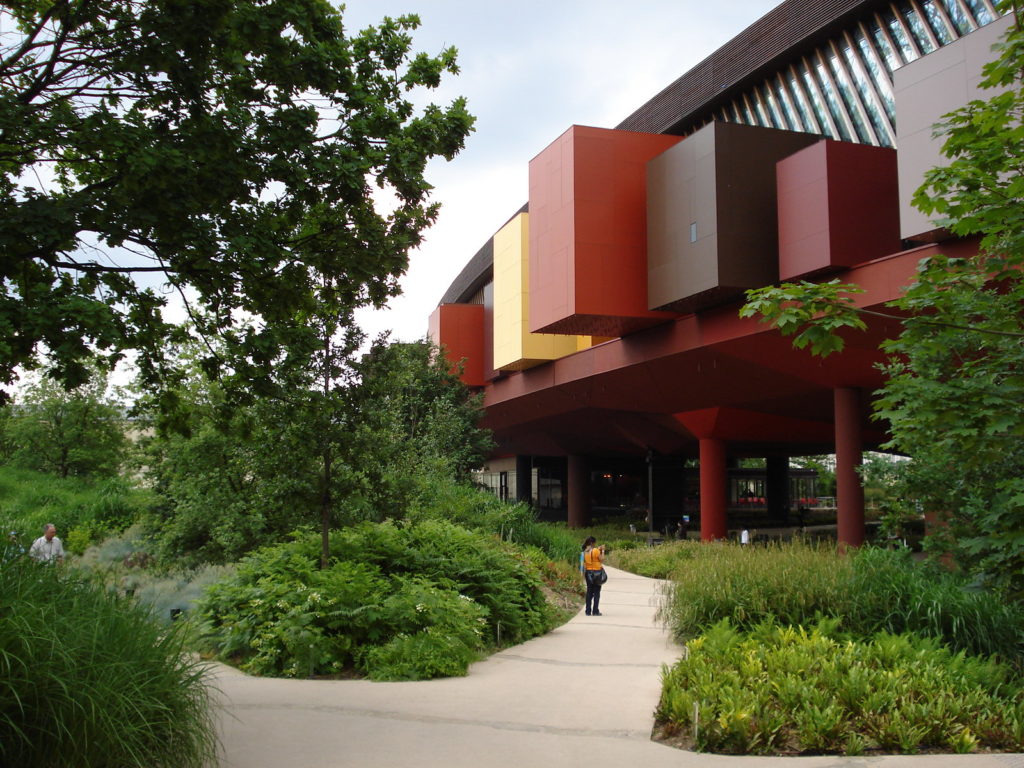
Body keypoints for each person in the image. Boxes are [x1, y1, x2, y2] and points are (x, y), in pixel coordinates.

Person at [581, 536, 605, 616]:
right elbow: (601, 559)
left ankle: (588, 611)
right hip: (597, 572)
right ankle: (595, 611)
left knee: (589, 592)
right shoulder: (596, 550)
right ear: (592, 543)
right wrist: (603, 551)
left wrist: (598, 549)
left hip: (588, 573)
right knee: (597, 592)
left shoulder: (585, 551)